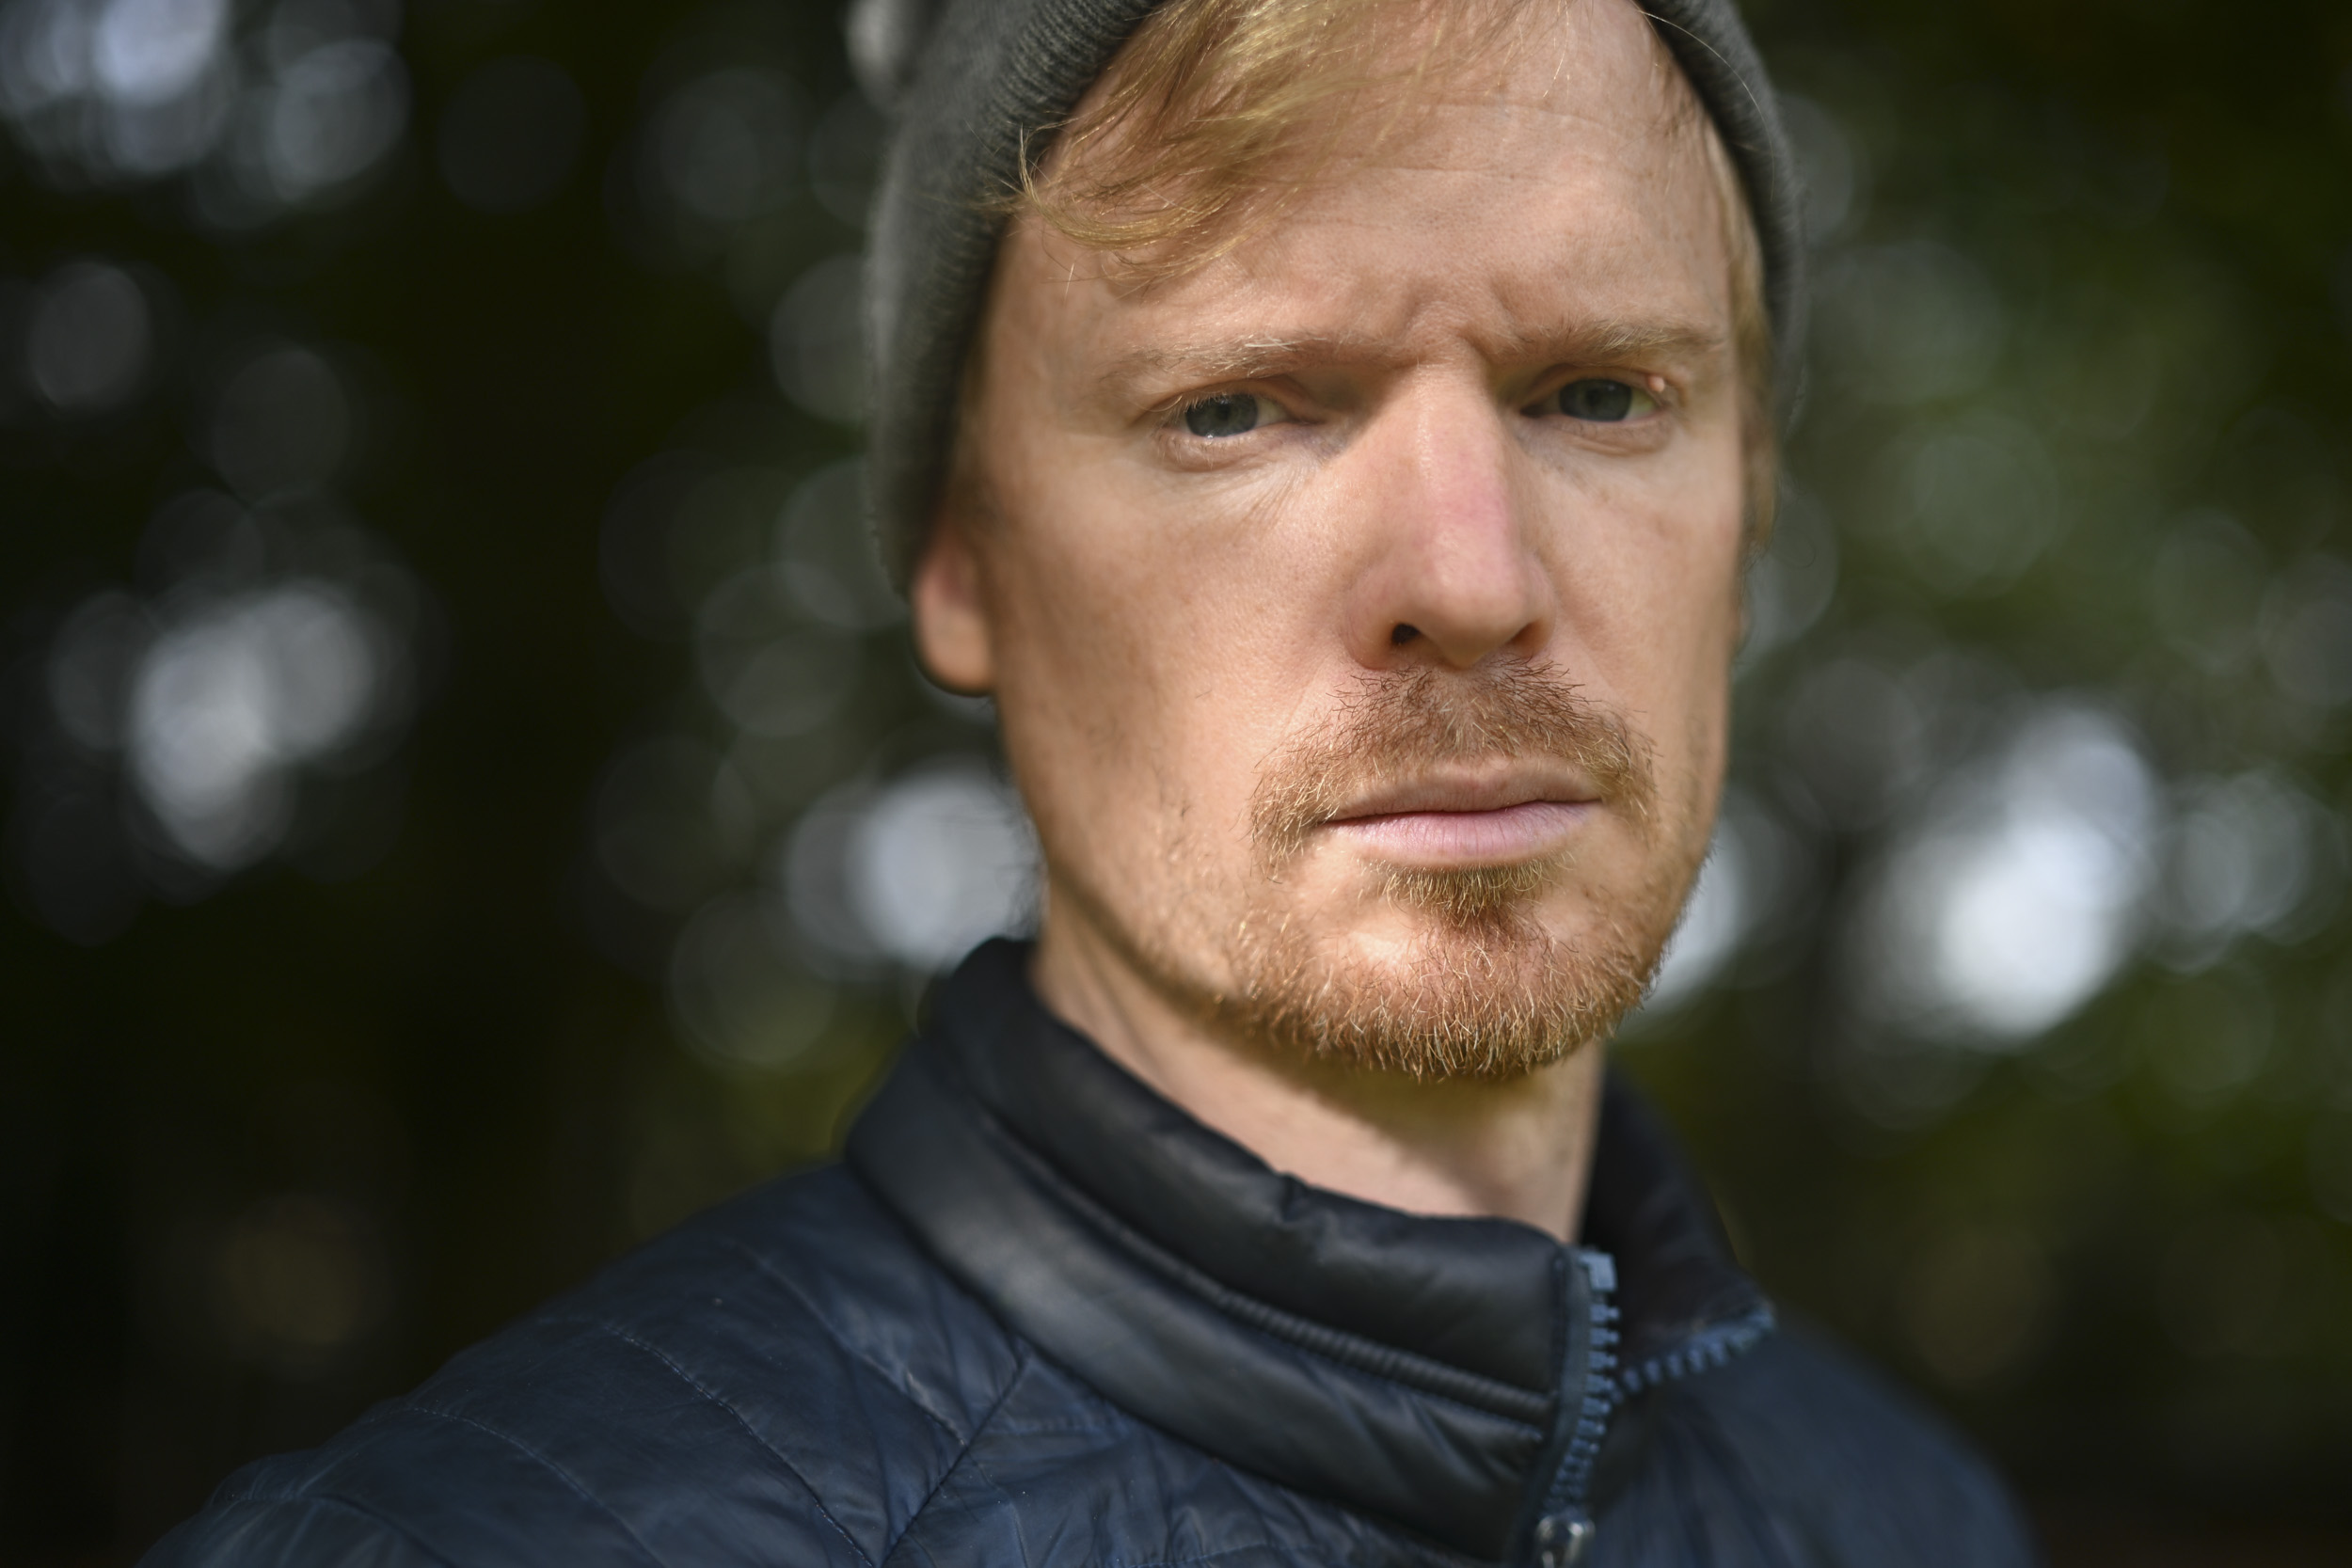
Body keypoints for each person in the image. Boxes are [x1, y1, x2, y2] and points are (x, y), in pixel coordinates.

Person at [148, 0, 2039, 1561]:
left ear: (1749, 502)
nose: (1468, 580)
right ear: (959, 561)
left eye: (1598, 395)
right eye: (1235, 407)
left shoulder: (1913, 1524)